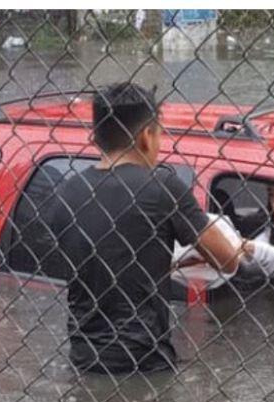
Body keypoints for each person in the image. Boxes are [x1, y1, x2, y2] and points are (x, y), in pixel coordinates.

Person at [33, 82, 241, 374]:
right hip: (145, 361)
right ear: (146, 136)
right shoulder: (163, 188)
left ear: (96, 137)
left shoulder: (65, 194)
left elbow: (99, 261)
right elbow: (228, 259)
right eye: (159, 135)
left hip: (84, 358)